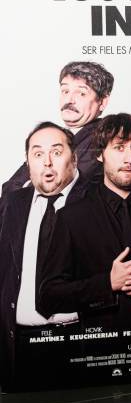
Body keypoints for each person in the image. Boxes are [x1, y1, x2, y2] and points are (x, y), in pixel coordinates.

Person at [38, 113, 131, 333]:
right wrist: (108, 283)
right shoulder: (71, 217)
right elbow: (48, 296)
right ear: (101, 154)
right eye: (119, 148)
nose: (130, 159)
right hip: (100, 350)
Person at [0, 122, 88, 389]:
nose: (47, 163)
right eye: (38, 154)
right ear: (28, 163)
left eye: (56, 152)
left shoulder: (96, 201)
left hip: (78, 343)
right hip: (17, 346)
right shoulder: (11, 203)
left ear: (73, 158)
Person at [1, 61, 114, 198]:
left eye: (81, 93)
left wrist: (26, 189)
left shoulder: (106, 139)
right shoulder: (52, 136)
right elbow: (8, 188)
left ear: (102, 102)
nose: (69, 100)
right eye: (65, 91)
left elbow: (65, 188)